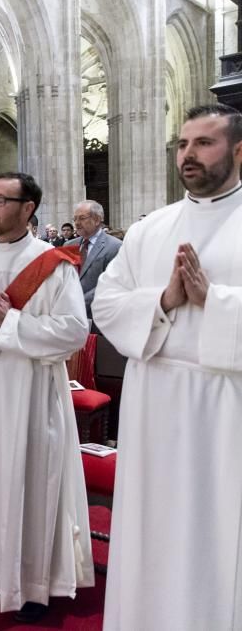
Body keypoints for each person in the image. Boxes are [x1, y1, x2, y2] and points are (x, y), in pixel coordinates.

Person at [94, 103, 242, 631]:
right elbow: (106, 305)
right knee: (153, 527)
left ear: (238, 151)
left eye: (204, 143)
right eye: (182, 144)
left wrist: (216, 301)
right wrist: (163, 299)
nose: (188, 155)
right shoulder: (150, 229)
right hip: (154, 398)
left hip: (226, 405)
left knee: (216, 532)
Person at [0, 172, 93, 624]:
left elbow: (73, 333)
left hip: (34, 389)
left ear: (28, 208)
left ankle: (33, 583)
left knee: (33, 479)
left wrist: (7, 324)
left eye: (0, 201)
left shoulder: (52, 262)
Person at [64, 200, 122, 322]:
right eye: (75, 219)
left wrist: (78, 305)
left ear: (97, 220)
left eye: (82, 218)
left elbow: (109, 284)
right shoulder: (68, 246)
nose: (77, 223)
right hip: (67, 318)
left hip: (97, 319)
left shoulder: (115, 246)